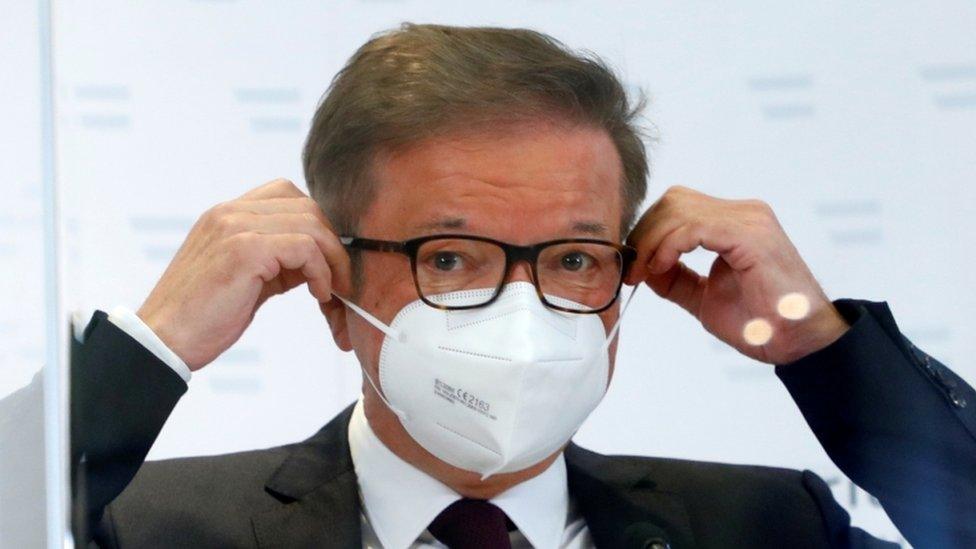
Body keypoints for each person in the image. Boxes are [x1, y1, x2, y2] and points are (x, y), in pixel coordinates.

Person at [53, 23, 976, 548]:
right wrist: (150, 345)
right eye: (451, 257)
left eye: (575, 259)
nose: (523, 308)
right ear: (334, 294)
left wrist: (818, 345)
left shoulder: (771, 527)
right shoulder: (146, 529)